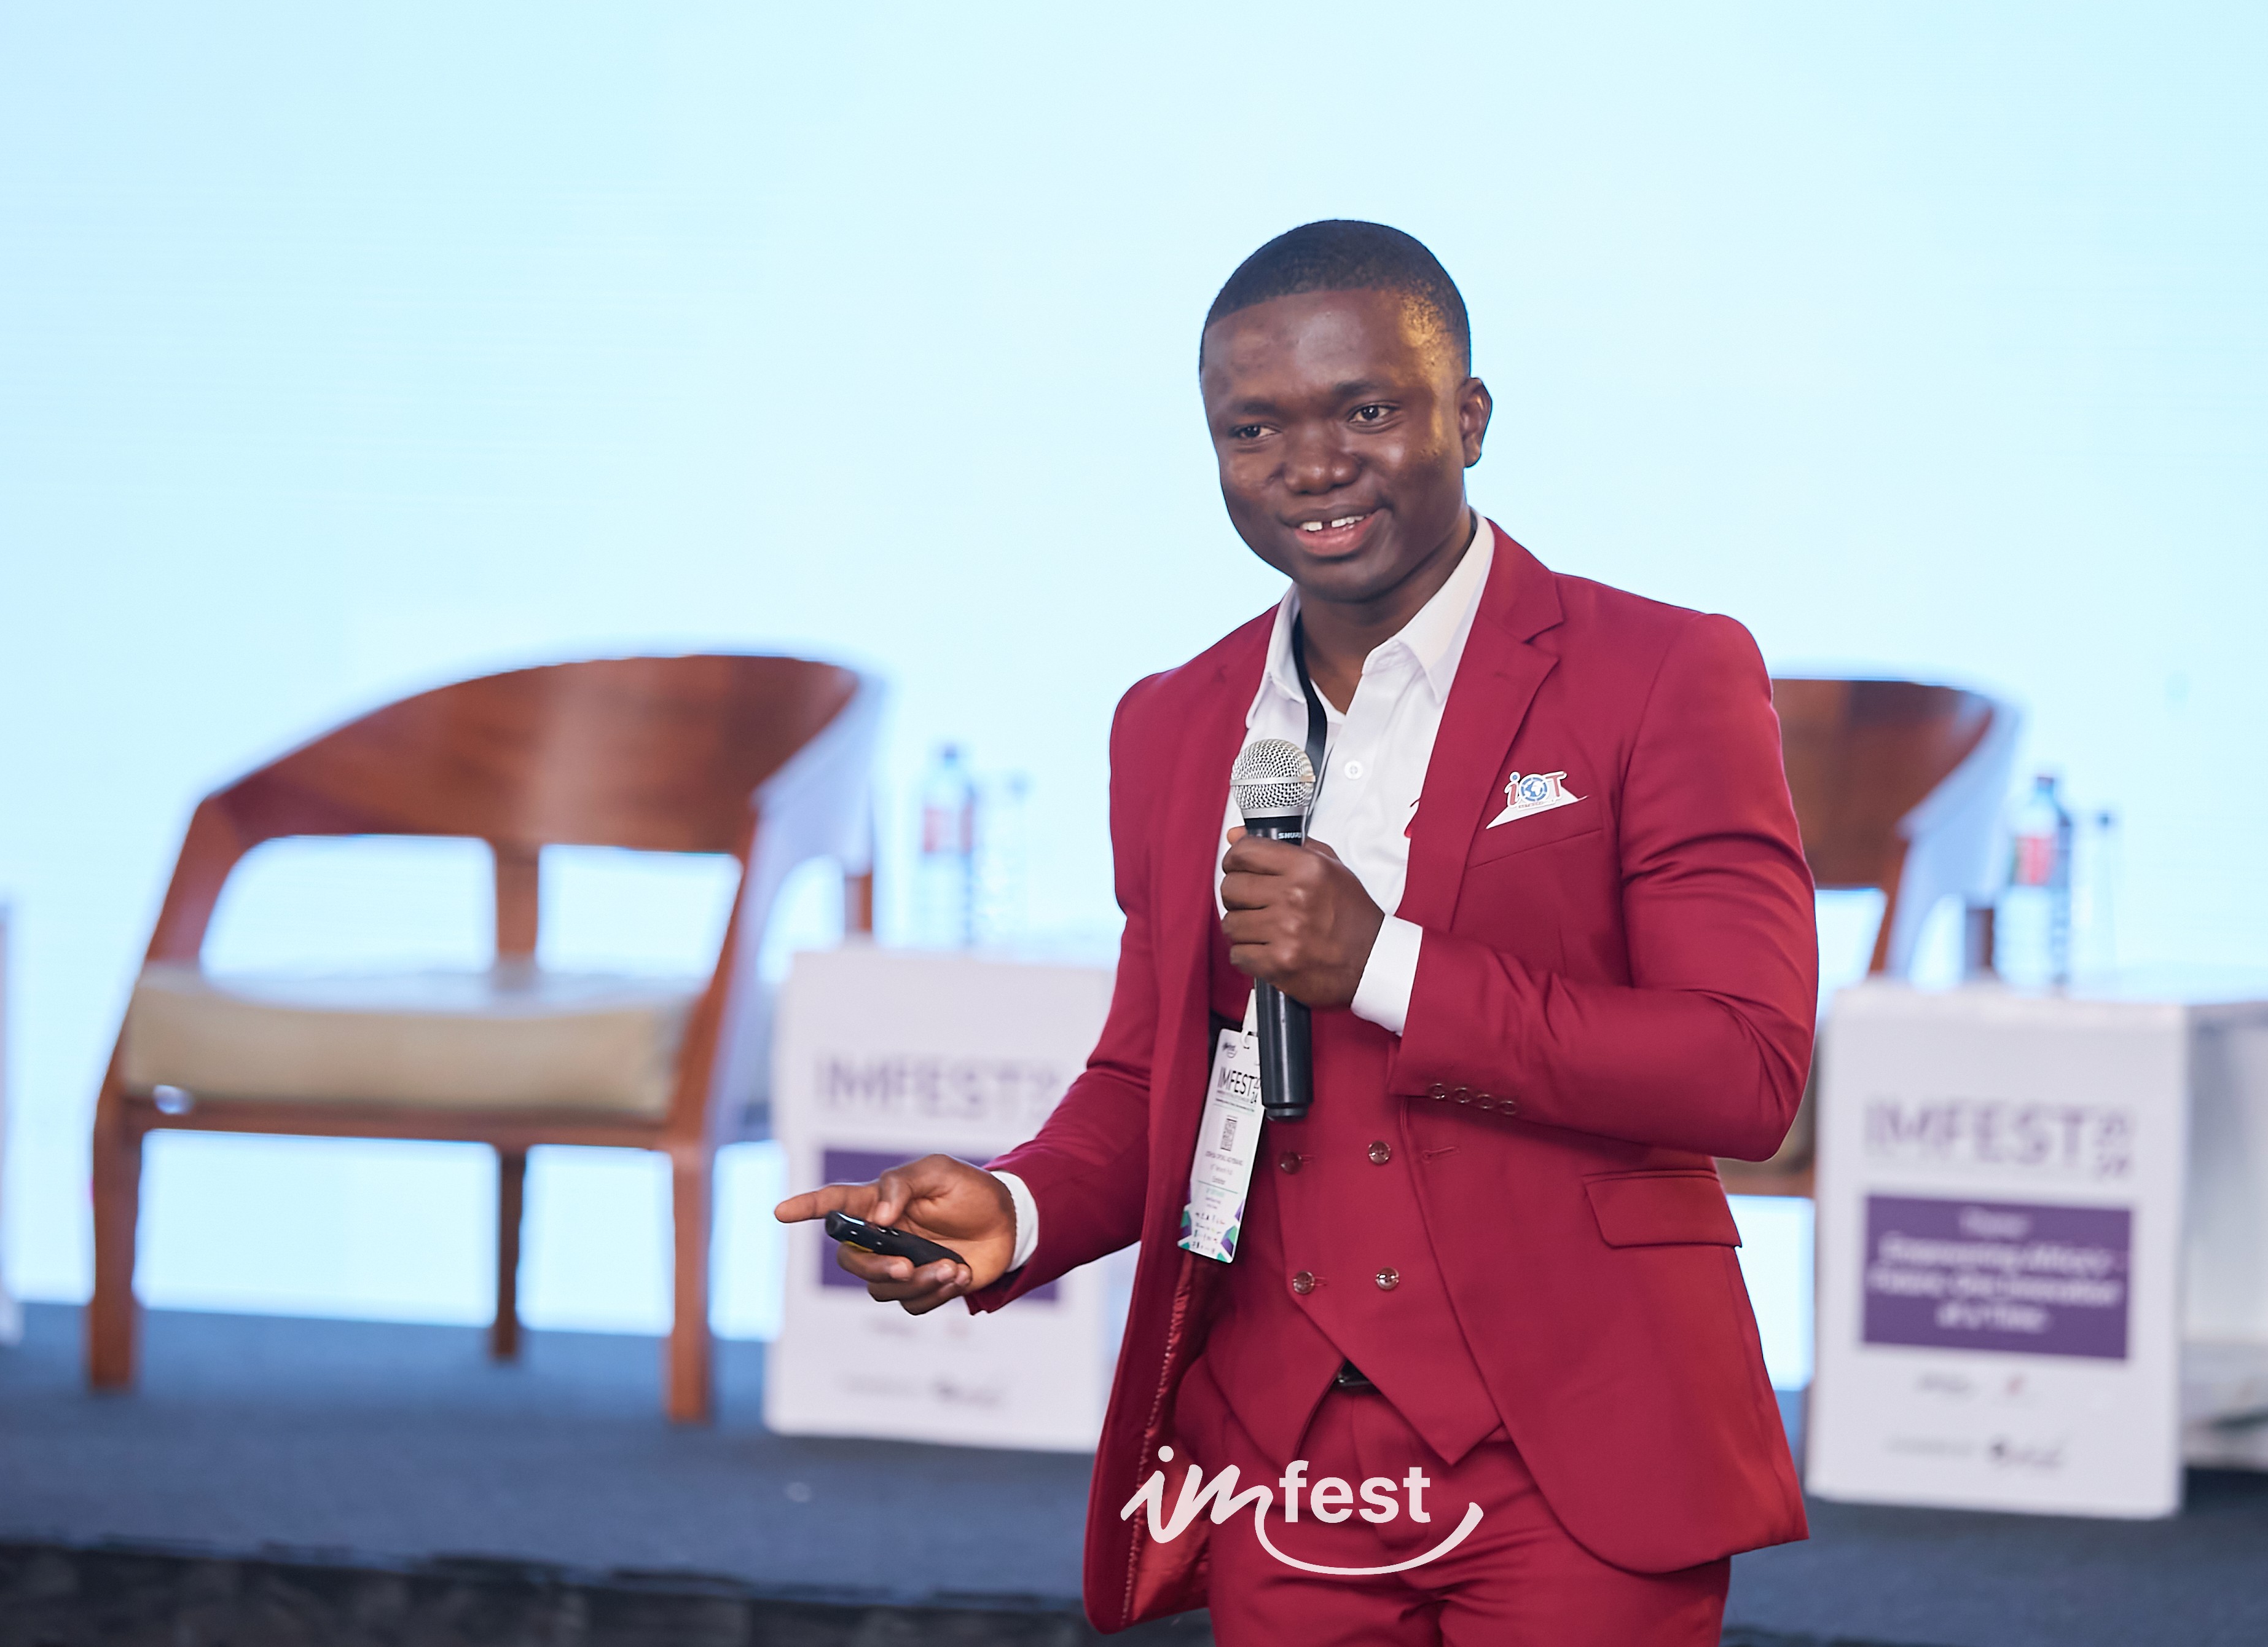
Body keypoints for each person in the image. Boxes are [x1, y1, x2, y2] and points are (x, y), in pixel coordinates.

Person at [777, 220, 1817, 1643]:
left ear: (1470, 416)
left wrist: (1380, 962)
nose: (1312, 463)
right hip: (1280, 1453)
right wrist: (1011, 1208)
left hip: (1574, 1431)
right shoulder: (1171, 720)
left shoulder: (1662, 672)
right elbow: (1156, 1074)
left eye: (1368, 409)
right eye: (1253, 426)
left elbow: (1740, 1068)